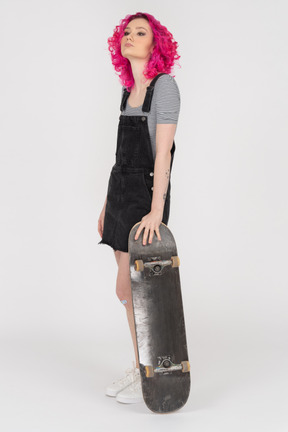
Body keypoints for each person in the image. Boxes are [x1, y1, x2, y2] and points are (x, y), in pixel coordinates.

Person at [98, 12, 181, 404]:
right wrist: (105, 205)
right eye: (127, 32)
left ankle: (147, 369)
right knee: (127, 292)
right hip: (119, 194)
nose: (130, 36)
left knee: (132, 287)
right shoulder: (127, 89)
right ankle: (142, 367)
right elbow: (119, 157)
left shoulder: (164, 88)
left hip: (145, 197)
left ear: (156, 44)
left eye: (140, 32)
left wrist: (155, 211)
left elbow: (162, 154)